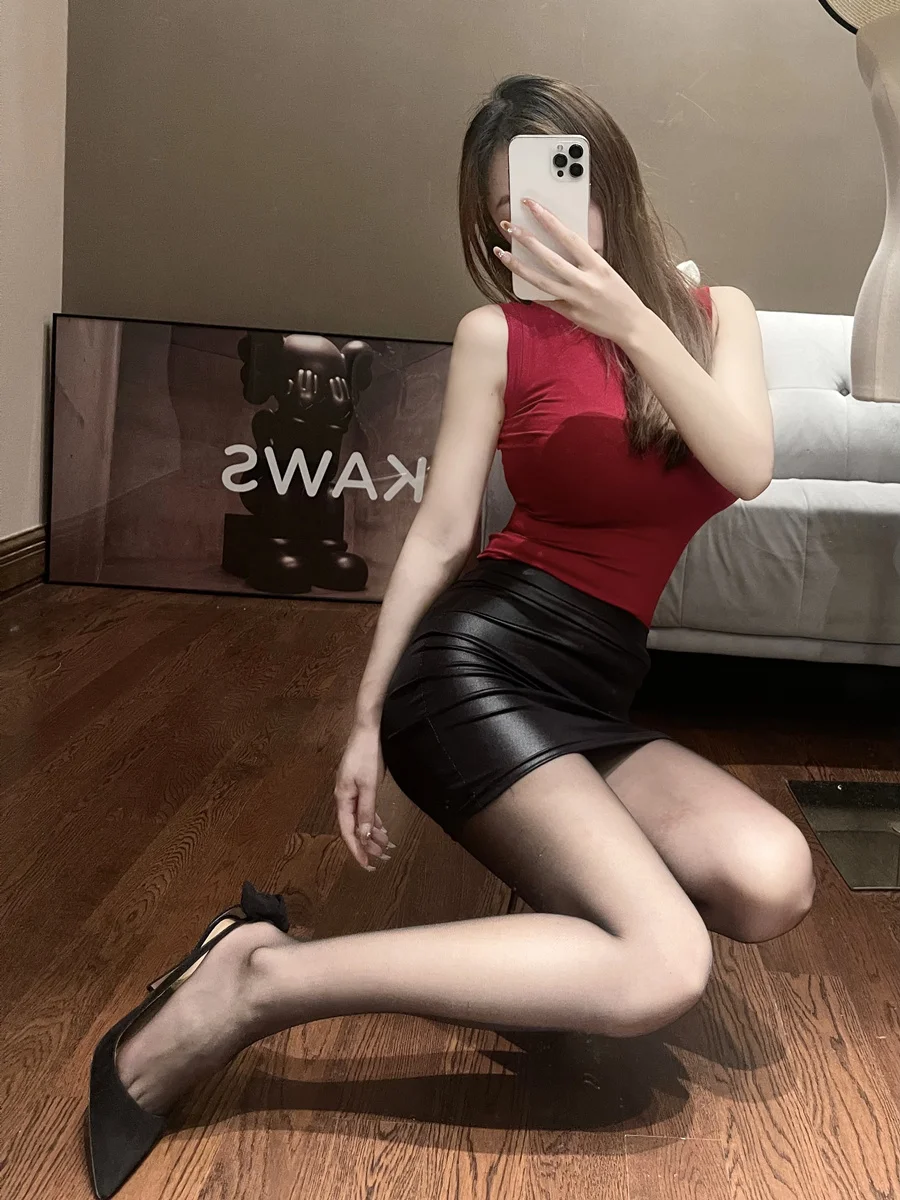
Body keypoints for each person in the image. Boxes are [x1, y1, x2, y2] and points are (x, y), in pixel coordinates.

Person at [86, 74, 816, 1199]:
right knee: (664, 966)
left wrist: (629, 319)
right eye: (508, 212)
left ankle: (566, 908)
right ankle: (257, 979)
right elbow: (438, 534)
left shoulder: (720, 317)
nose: (539, 226)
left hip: (593, 690)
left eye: (559, 189)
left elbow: (747, 464)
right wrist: (364, 718)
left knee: (773, 880)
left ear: (610, 185)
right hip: (479, 665)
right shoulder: (496, 335)